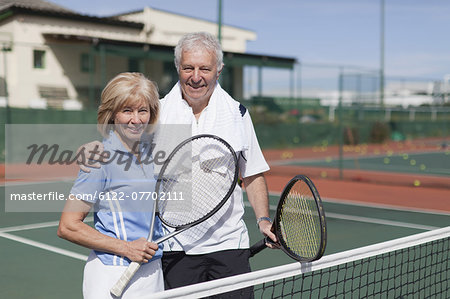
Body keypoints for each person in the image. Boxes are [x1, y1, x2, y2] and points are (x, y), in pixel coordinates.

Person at [78, 32, 276, 295]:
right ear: (178, 69)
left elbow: (251, 174)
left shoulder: (238, 114)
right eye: (188, 68)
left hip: (229, 246)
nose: (196, 76)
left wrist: (263, 220)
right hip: (175, 249)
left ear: (218, 70)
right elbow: (124, 143)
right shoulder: (159, 112)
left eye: (204, 68)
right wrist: (96, 147)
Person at [58, 72, 164, 298]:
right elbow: (68, 226)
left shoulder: (151, 152)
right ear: (112, 115)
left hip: (153, 273)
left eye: (142, 110)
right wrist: (127, 248)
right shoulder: (99, 158)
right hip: (113, 274)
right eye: (127, 110)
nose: (136, 120)